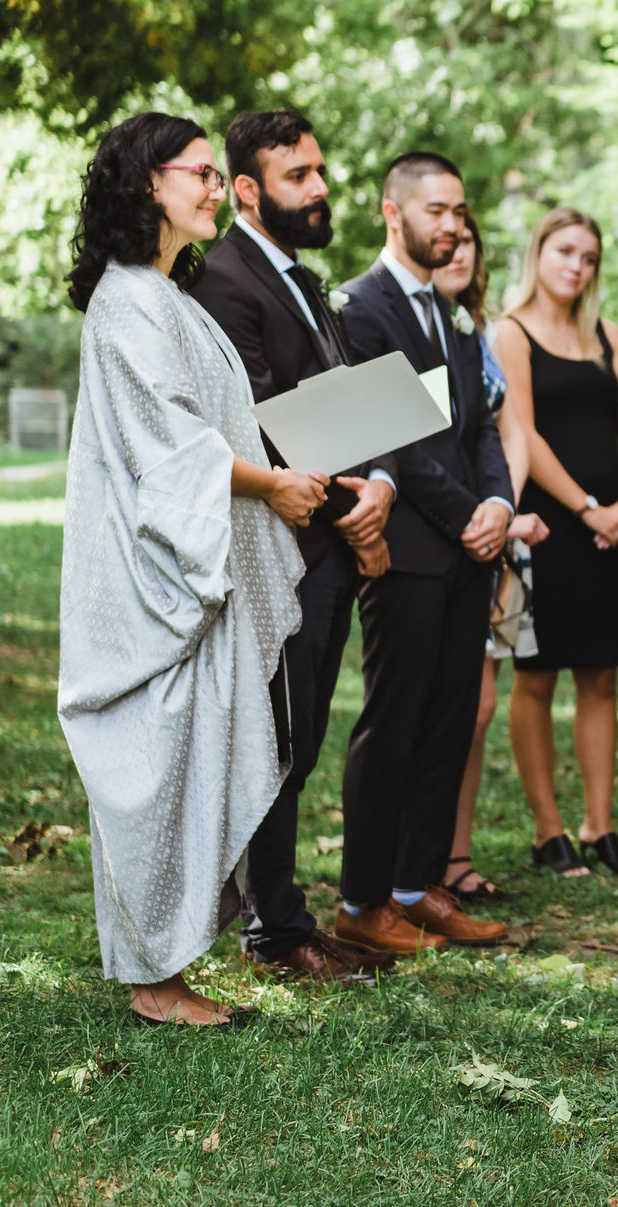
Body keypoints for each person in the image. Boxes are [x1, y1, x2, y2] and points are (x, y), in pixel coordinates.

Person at [57, 112, 319, 1025]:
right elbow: (172, 449)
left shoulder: (167, 294)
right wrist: (273, 487)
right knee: (155, 755)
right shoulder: (127, 301)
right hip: (151, 577)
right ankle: (151, 980)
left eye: (215, 173)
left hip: (193, 561)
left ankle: (169, 963)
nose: (215, 187)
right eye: (199, 173)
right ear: (145, 186)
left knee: (189, 752)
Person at [189, 108, 401, 982]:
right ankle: (274, 928)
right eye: (297, 176)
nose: (319, 189)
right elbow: (259, 425)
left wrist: (381, 483)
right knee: (279, 732)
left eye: (319, 170)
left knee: (303, 730)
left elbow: (354, 398)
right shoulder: (225, 281)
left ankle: (277, 909)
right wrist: (353, 501)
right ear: (247, 189)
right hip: (278, 547)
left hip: (333, 541)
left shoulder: (307, 282)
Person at [333, 153, 513, 954]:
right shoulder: (359, 308)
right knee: (393, 722)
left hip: (471, 551)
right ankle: (362, 899)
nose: (451, 225)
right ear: (391, 212)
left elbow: (478, 426)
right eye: (436, 210)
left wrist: (502, 505)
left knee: (450, 723)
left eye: (459, 210)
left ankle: (417, 886)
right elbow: (391, 436)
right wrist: (467, 510)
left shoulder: (456, 312)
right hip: (403, 548)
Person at [496, 208, 618, 878]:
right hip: (548, 528)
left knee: (602, 675)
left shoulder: (608, 335)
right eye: (565, 251)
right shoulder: (510, 332)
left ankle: (599, 823)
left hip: (610, 531)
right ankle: (548, 830)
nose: (576, 266)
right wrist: (587, 506)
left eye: (589, 256)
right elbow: (523, 433)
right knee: (534, 678)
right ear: (539, 252)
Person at [439, 209, 550, 901]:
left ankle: (453, 856)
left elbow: (510, 432)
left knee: (481, 702)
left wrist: (502, 508)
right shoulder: (405, 323)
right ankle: (422, 862)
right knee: (456, 701)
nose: (458, 251)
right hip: (441, 529)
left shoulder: (476, 332)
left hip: (499, 533)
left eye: (468, 241)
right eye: (445, 238)